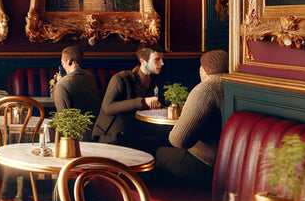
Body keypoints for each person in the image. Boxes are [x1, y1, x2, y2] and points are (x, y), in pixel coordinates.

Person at [155, 50, 228, 188]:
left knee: (157, 153)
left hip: (205, 164)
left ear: (204, 70)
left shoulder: (205, 89)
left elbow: (179, 141)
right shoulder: (232, 85)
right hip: (226, 163)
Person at [92, 46, 162, 147]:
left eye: (162, 59)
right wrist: (142, 102)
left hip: (133, 133)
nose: (162, 63)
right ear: (143, 61)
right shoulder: (121, 78)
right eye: (157, 60)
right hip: (110, 137)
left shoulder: (154, 80)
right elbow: (107, 107)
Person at [52, 45, 101, 116]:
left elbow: (63, 119)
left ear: (69, 61)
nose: (62, 65)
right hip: (95, 124)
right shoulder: (90, 76)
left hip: (75, 125)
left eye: (62, 62)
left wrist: (57, 86)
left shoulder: (62, 85)